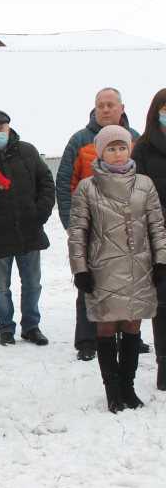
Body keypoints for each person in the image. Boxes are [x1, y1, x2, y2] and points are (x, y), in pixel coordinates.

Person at [68, 125, 166, 412]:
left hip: (139, 267)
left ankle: (128, 386)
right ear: (101, 152)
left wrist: (161, 261)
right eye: (111, 148)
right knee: (108, 326)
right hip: (104, 268)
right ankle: (112, 389)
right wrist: (80, 269)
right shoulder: (88, 187)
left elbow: (157, 227)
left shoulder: (145, 184)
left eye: (122, 147)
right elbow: (78, 231)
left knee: (133, 326)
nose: (118, 153)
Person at [56, 88, 143, 361]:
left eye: (110, 105)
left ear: (122, 108)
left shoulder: (137, 139)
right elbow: (65, 184)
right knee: (90, 284)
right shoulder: (80, 140)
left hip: (129, 227)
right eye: (100, 105)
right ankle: (86, 340)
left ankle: (129, 336)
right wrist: (71, 224)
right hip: (93, 227)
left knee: (130, 283)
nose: (105, 110)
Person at [0, 110, 55, 347]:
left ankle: (31, 326)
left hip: (29, 230)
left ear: (9, 128)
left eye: (1, 128)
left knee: (32, 283)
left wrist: (41, 212)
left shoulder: (27, 151)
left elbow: (46, 181)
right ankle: (6, 329)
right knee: (1, 286)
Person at [132, 88, 166, 391]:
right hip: (158, 236)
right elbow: (137, 194)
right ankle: (165, 367)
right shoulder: (142, 148)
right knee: (163, 304)